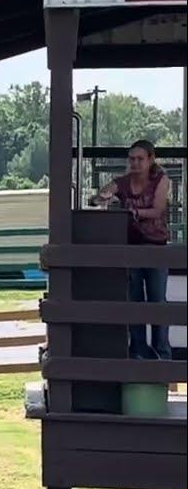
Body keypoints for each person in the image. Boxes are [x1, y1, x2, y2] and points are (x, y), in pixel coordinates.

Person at [89, 139, 172, 360]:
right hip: (130, 248)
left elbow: (157, 210)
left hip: (156, 247)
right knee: (134, 302)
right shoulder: (123, 182)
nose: (135, 163)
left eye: (140, 159)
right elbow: (100, 196)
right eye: (132, 159)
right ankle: (138, 352)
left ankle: (162, 354)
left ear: (151, 159)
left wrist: (132, 211)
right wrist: (102, 196)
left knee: (157, 303)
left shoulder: (161, 180)